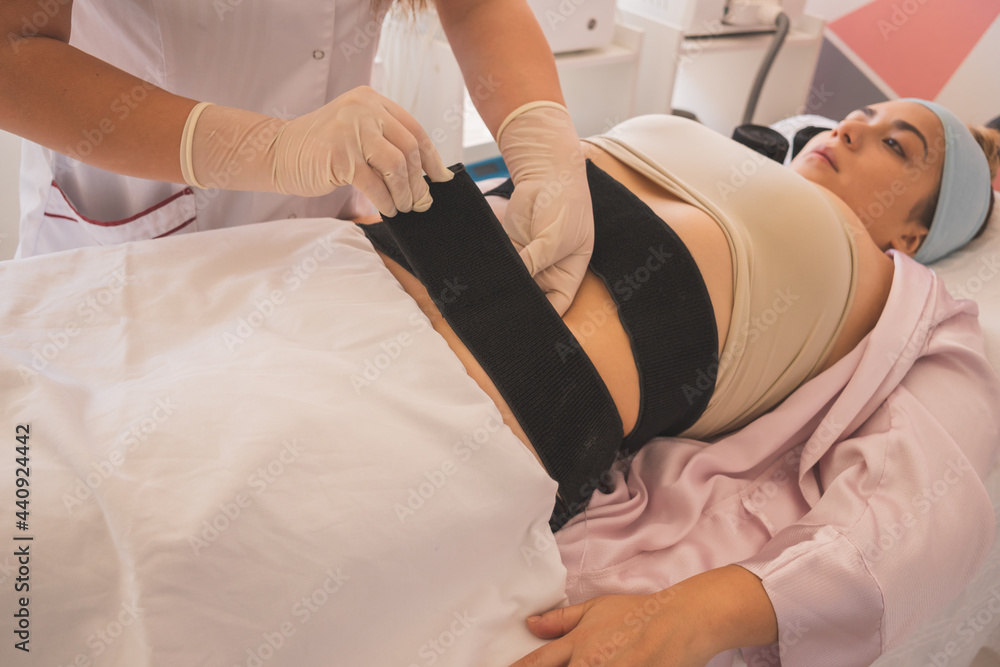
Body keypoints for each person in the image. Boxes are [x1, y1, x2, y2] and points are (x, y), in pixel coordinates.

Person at [360, 98, 1000, 665]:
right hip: (370, 264)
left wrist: (693, 614)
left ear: (913, 234)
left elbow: (918, 513)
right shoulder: (732, 154)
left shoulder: (924, 320)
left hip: (473, 403)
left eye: (895, 144)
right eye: (861, 115)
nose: (851, 131)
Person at [0, 0, 594, 314]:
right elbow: (12, 54)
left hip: (324, 247)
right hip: (131, 261)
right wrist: (266, 149)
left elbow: (472, 5)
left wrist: (541, 140)